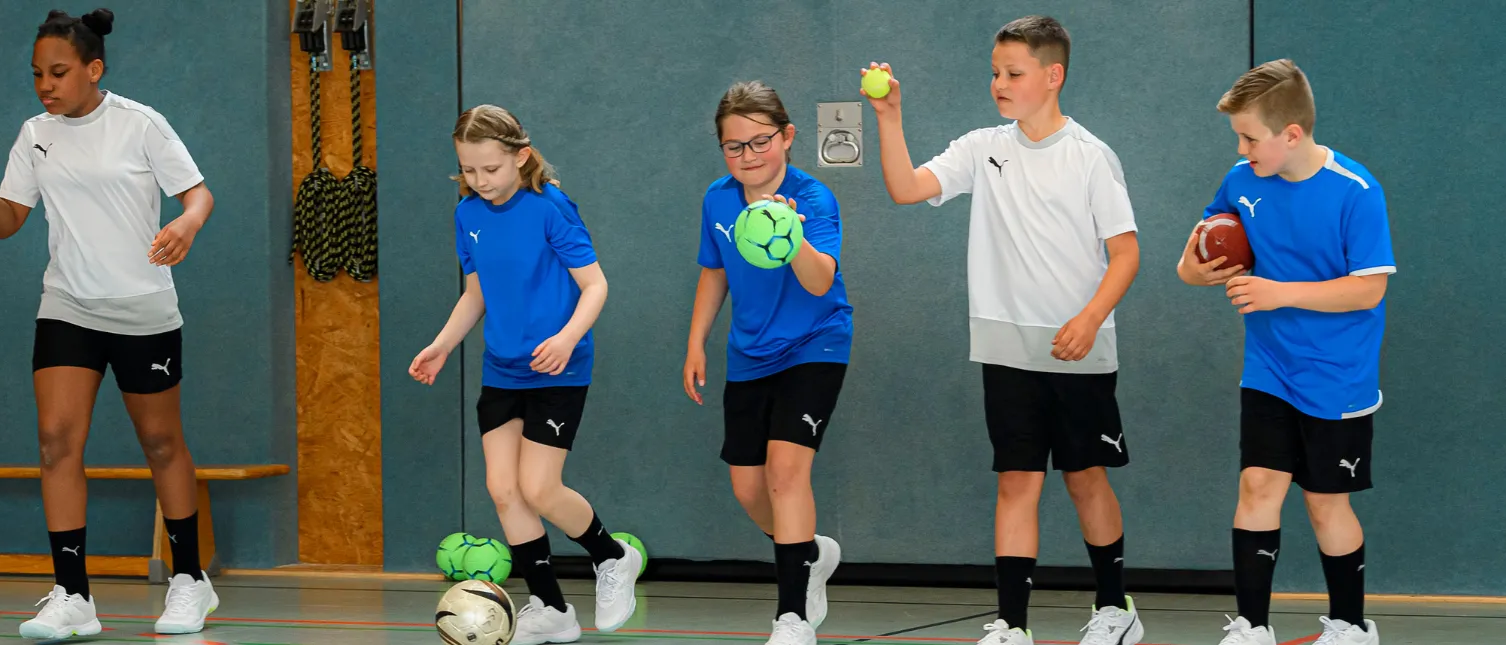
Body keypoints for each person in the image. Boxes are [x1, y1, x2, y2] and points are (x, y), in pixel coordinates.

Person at [865, 15, 1144, 645]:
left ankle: (1114, 607)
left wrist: (1089, 317)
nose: (999, 83)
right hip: (1005, 350)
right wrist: (889, 117)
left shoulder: (1091, 157)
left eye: (1013, 73)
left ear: (1053, 76)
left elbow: (1125, 254)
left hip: (1078, 352)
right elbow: (907, 189)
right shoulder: (980, 146)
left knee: (1085, 479)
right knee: (1016, 482)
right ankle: (1011, 625)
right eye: (995, 72)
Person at [0, 7, 221, 638]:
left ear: (92, 68)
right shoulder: (33, 133)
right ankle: (73, 595)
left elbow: (198, 193)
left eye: (59, 72)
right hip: (68, 305)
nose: (46, 84)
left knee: (161, 444)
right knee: (56, 441)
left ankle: (191, 579)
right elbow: (8, 222)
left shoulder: (140, 123)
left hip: (143, 310)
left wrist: (185, 224)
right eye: (36, 74)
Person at [1177, 59, 1394, 645]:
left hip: (1337, 377)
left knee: (1326, 505)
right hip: (1269, 368)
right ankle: (1251, 628)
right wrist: (1201, 267)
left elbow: (1369, 287)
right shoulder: (1241, 181)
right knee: (1257, 486)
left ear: (1291, 134)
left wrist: (1277, 293)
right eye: (1238, 137)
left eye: (1251, 137)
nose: (1242, 148)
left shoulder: (1356, 191)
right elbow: (1189, 267)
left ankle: (1351, 627)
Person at [409, 104, 643, 645]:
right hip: (503, 370)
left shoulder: (550, 207)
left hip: (558, 370)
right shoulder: (467, 214)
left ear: (521, 156)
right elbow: (476, 294)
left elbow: (596, 286)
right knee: (502, 487)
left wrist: (566, 339)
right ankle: (551, 607)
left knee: (539, 488)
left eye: (490, 169)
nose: (480, 180)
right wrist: (442, 346)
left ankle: (613, 556)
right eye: (468, 170)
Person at [683, 80, 849, 645]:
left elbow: (821, 278)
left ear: (787, 137)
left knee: (785, 474)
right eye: (736, 147)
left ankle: (793, 617)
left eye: (761, 142)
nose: (750, 156)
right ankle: (810, 556)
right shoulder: (717, 199)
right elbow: (715, 271)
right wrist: (696, 341)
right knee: (748, 488)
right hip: (749, 354)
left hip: (815, 344)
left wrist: (790, 231)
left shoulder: (814, 197)